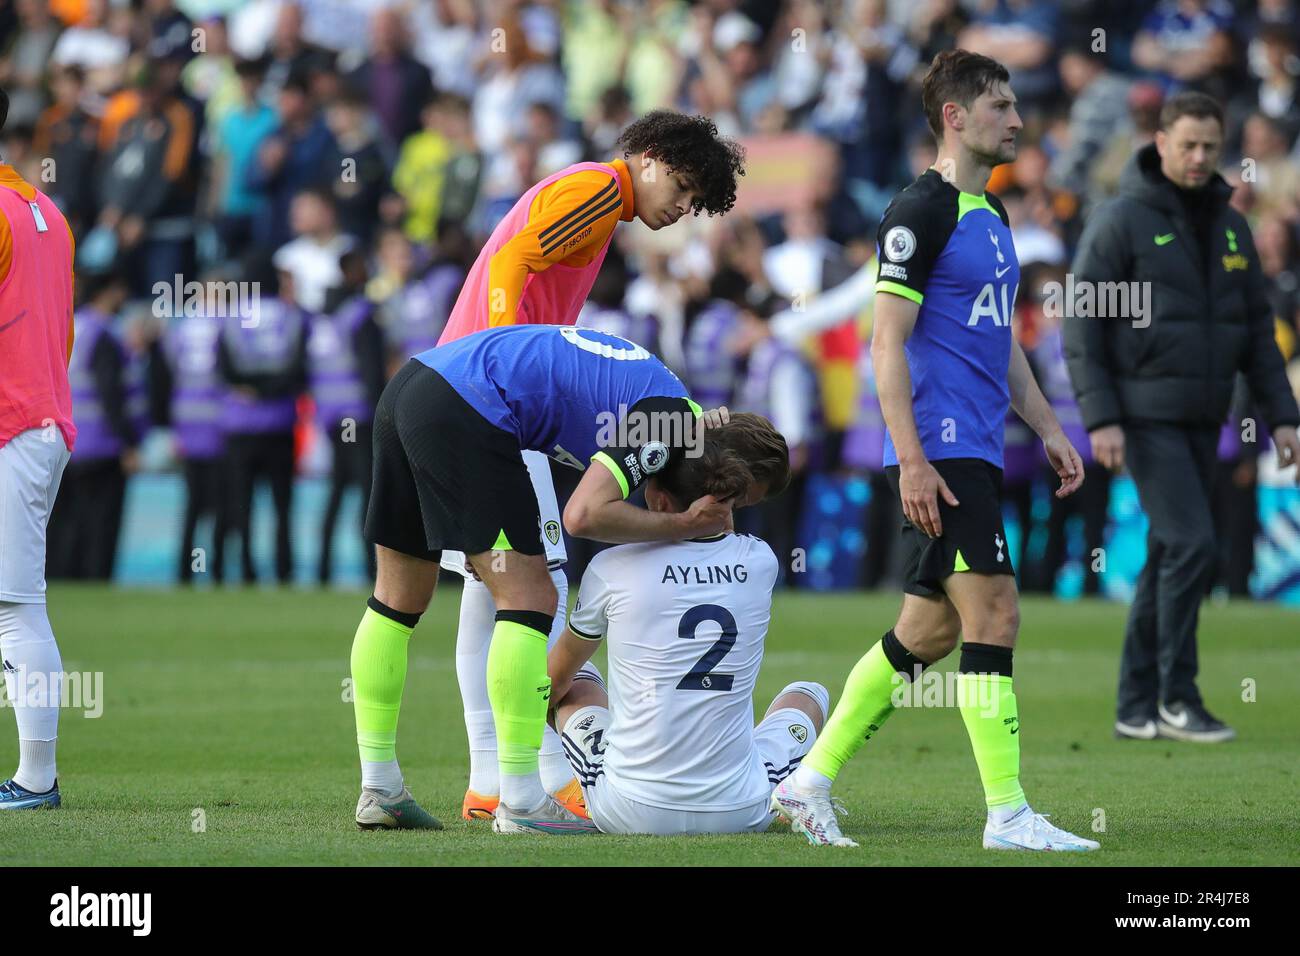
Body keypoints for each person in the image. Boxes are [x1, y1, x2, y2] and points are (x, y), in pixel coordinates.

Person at [771, 50, 1098, 852]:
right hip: (940, 449)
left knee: (928, 632)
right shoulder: (919, 210)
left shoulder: (994, 217)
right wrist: (911, 458)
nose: (1017, 120)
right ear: (955, 117)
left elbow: (1000, 341)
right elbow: (885, 345)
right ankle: (1009, 816)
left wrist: (1049, 425)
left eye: (1015, 106)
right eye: (1000, 106)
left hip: (979, 444)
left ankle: (807, 781)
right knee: (996, 612)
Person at [430, 110, 746, 824]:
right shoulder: (600, 189)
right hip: (489, 397)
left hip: (463, 388)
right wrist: (506, 357)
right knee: (538, 585)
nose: (682, 209)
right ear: (652, 156)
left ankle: (490, 780)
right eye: (686, 188)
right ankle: (530, 776)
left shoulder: (592, 200)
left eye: (696, 204)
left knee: (492, 588)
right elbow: (513, 266)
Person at [349, 325, 740, 834]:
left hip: (413, 384)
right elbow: (583, 516)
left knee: (397, 599)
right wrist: (681, 527)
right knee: (532, 596)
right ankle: (522, 801)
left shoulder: (667, 410)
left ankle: (380, 786)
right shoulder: (673, 423)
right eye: (724, 508)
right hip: (468, 402)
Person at [1064, 91, 1300, 743]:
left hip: (1207, 415)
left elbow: (1256, 330)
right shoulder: (1120, 220)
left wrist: (1283, 416)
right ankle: (1177, 696)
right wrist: (1102, 418)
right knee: (1196, 544)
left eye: (1210, 147)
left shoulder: (1231, 227)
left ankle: (1134, 706)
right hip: (1143, 418)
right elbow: (1082, 325)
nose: (1199, 158)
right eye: (1187, 145)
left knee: (1171, 550)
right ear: (1160, 142)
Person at [548, 415, 833, 834]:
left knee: (577, 675)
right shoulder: (760, 561)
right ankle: (788, 789)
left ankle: (546, 786)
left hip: (628, 810)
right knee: (809, 694)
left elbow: (552, 682)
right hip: (741, 810)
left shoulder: (610, 567)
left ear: (659, 500)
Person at [0, 88, 78, 809]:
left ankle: (35, 780)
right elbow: (62, 331)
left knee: (15, 606)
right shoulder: (46, 212)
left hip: (12, 426)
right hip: (41, 418)